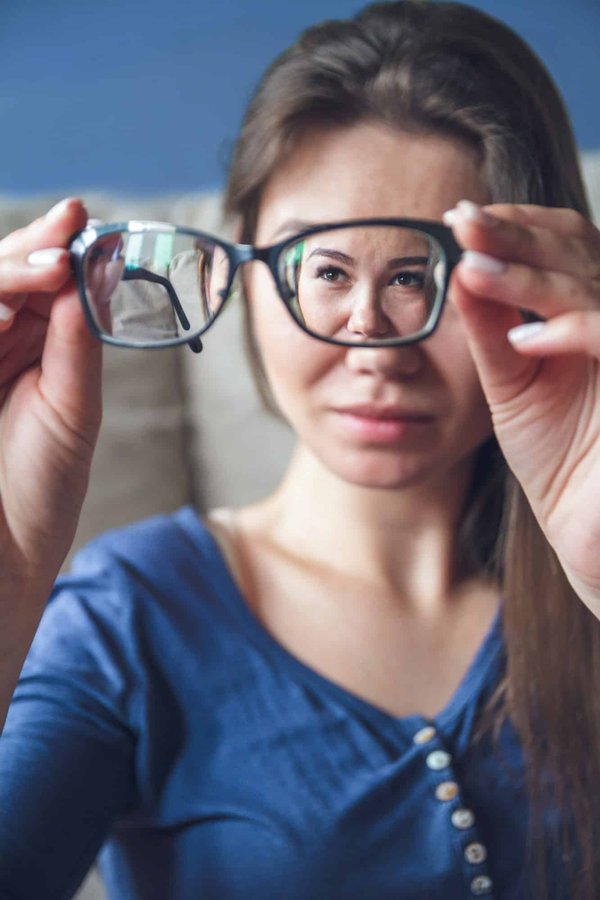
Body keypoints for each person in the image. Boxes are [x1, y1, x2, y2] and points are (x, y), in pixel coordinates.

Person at [1, 1, 600, 897]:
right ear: (237, 277)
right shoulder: (128, 620)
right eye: (323, 270)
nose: (375, 346)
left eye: (419, 275)